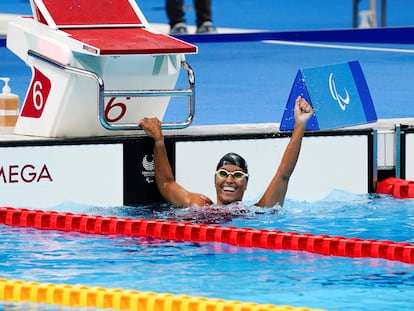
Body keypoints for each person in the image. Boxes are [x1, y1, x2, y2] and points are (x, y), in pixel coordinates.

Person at [139, 95, 313, 208]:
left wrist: (300, 125)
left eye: (237, 175)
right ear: (215, 179)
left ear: (246, 184)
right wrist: (158, 140)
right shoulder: (199, 204)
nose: (229, 180)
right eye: (223, 174)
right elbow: (166, 184)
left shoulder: (255, 214)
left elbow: (283, 174)